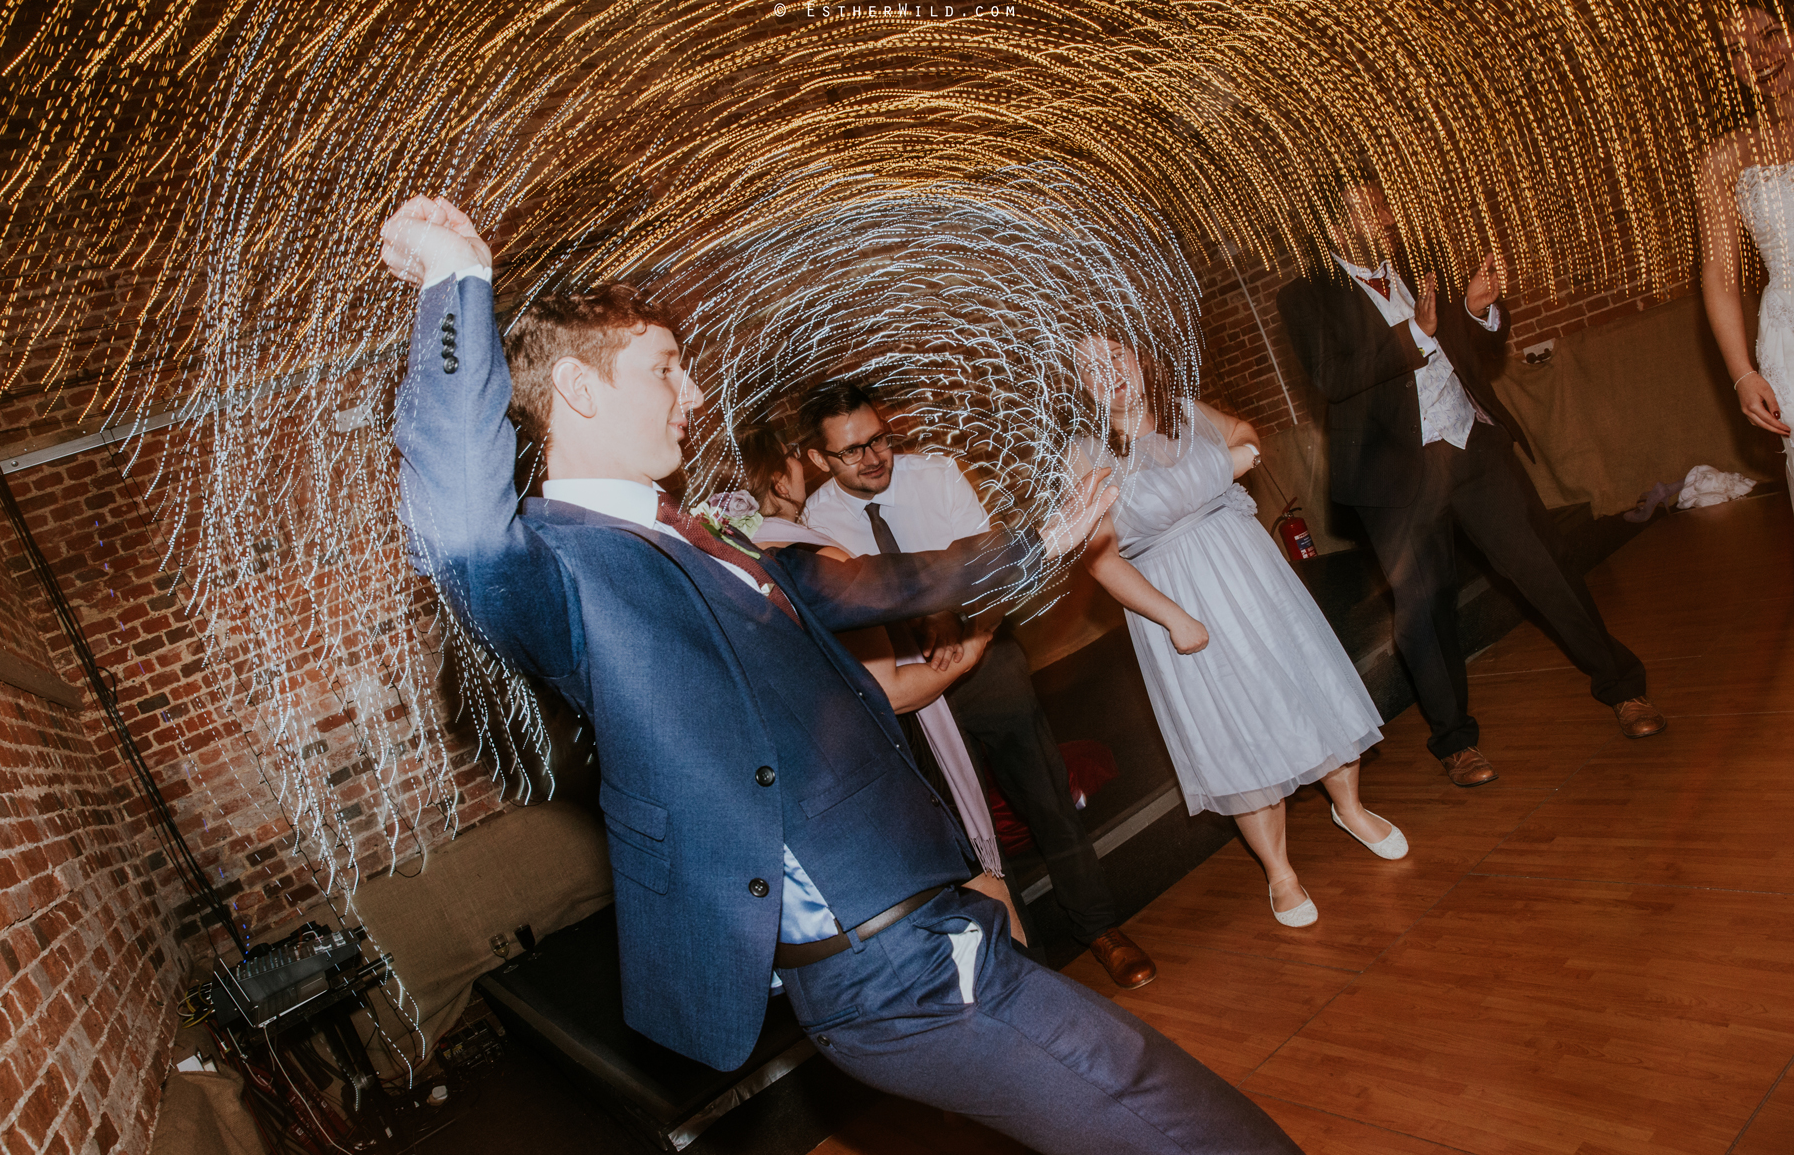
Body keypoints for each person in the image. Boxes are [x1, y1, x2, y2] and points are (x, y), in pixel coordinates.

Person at [379, 195, 1301, 1155]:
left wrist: (1037, 545)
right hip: (886, 973)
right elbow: (461, 533)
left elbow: (875, 585)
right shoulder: (561, 565)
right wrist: (457, 280)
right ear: (576, 389)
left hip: (923, 921)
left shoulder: (695, 531)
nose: (693, 394)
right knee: (1197, 1129)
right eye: (664, 369)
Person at [1276, 177, 1664, 788]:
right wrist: (1418, 335)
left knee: (1546, 566)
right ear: (1332, 224)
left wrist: (1477, 309)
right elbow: (1332, 376)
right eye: (1367, 206)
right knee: (1424, 612)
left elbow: (1469, 346)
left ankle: (1623, 687)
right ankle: (1455, 741)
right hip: (1395, 477)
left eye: (1383, 199)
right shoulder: (1305, 298)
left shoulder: (1418, 257)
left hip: (1472, 446)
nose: (1383, 211)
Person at [798, 379, 1157, 989]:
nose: (874, 458)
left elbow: (994, 570)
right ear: (817, 459)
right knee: (966, 833)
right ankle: (1025, 965)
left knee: (1045, 796)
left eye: (879, 439)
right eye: (852, 451)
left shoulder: (935, 475)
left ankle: (1101, 928)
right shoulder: (817, 524)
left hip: (985, 655)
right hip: (910, 688)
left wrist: (973, 638)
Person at [1067, 336, 1403, 926]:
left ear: (1139, 358)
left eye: (1116, 354)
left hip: (1254, 575)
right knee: (1233, 726)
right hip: (1176, 597)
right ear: (1080, 387)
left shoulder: (1187, 410)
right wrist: (1174, 617)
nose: (1110, 372)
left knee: (1308, 686)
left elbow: (1245, 430)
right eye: (1091, 368)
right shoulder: (1086, 454)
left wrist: (1244, 448)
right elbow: (1100, 561)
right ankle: (1280, 871)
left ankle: (1350, 808)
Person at [711, 422, 1025, 942]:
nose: (802, 468)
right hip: (900, 751)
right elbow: (891, 692)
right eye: (793, 458)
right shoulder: (812, 556)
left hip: (825, 776)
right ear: (779, 482)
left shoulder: (736, 561)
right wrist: (975, 644)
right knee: (982, 900)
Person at [1699, 0, 1794, 506]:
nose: (1758, 55)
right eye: (1738, 50)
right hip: (1789, 343)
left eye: (1770, 33)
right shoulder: (1725, 159)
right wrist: (1742, 373)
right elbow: (1719, 274)